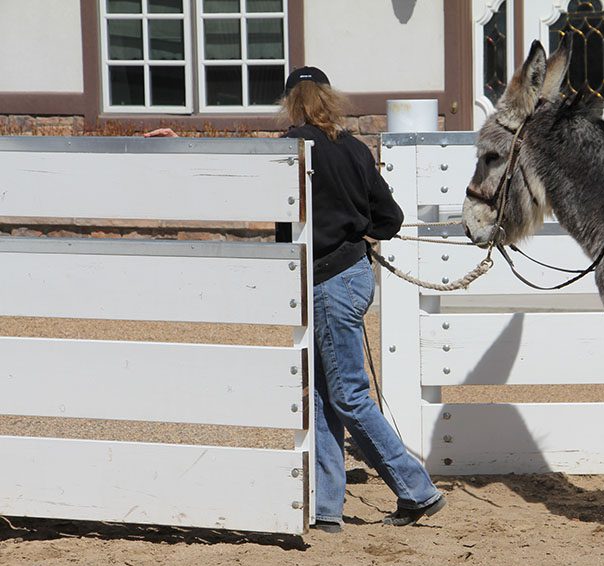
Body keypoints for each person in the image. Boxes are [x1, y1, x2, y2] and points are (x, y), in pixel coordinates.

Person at [145, 66, 445, 533]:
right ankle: (327, 508)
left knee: (346, 395)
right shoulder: (355, 149)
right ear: (329, 97)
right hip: (354, 277)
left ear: (291, 102)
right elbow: (391, 218)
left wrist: (182, 142)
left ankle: (416, 489)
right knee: (325, 396)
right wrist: (354, 233)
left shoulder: (293, 148)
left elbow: (236, 170)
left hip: (326, 282)